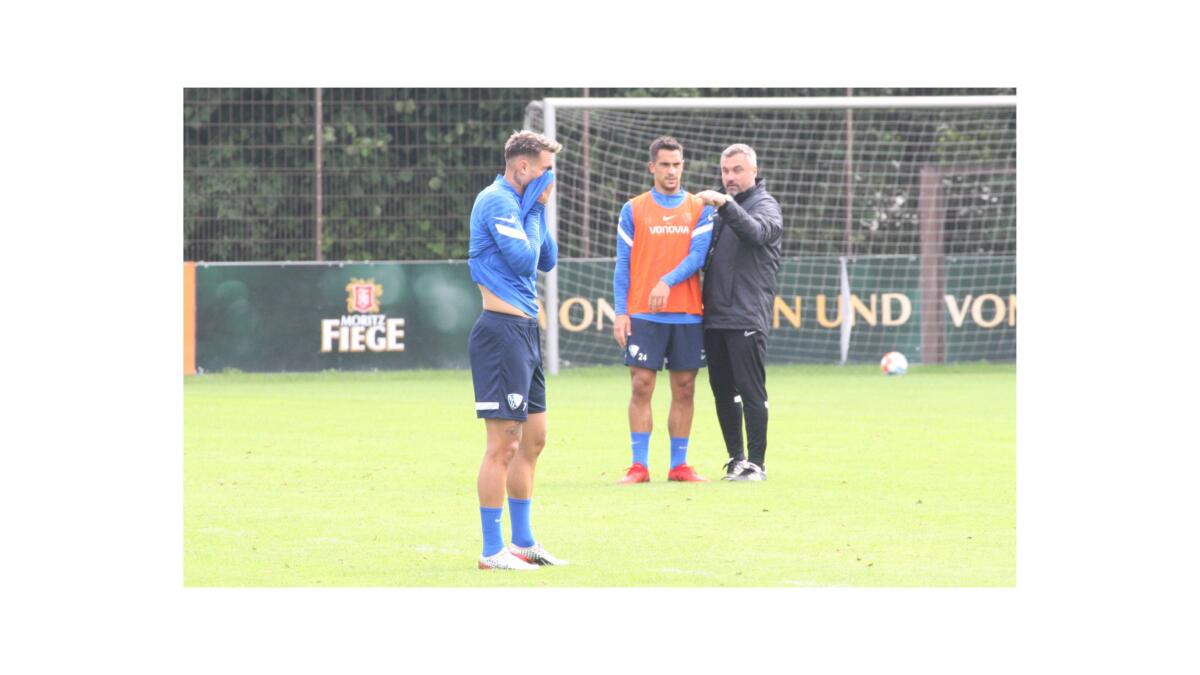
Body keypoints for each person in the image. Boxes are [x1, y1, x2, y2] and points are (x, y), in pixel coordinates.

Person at [467, 130, 569, 569]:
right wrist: (537, 208)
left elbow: (548, 259)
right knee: (503, 445)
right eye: (545, 169)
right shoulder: (496, 201)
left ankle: (523, 541)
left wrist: (537, 210)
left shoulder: (523, 205)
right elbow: (525, 261)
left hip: (526, 332)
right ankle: (493, 551)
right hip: (500, 331)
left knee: (534, 440)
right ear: (522, 167)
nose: (550, 178)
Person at [612, 136, 715, 483]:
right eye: (665, 164)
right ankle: (639, 465)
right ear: (652, 167)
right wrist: (620, 312)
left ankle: (679, 465)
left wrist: (666, 281)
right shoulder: (634, 208)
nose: (672, 171)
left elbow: (698, 256)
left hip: (686, 312)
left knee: (685, 387)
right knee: (641, 384)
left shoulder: (699, 207)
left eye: (677, 164)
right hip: (643, 313)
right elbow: (623, 265)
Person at [695, 144, 783, 481]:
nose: (729, 177)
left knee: (750, 390)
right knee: (722, 391)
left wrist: (725, 204)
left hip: (746, 315)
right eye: (725, 171)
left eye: (737, 170)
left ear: (753, 171)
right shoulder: (716, 209)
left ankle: (757, 464)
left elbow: (757, 233)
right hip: (715, 315)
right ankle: (736, 458)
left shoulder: (766, 206)